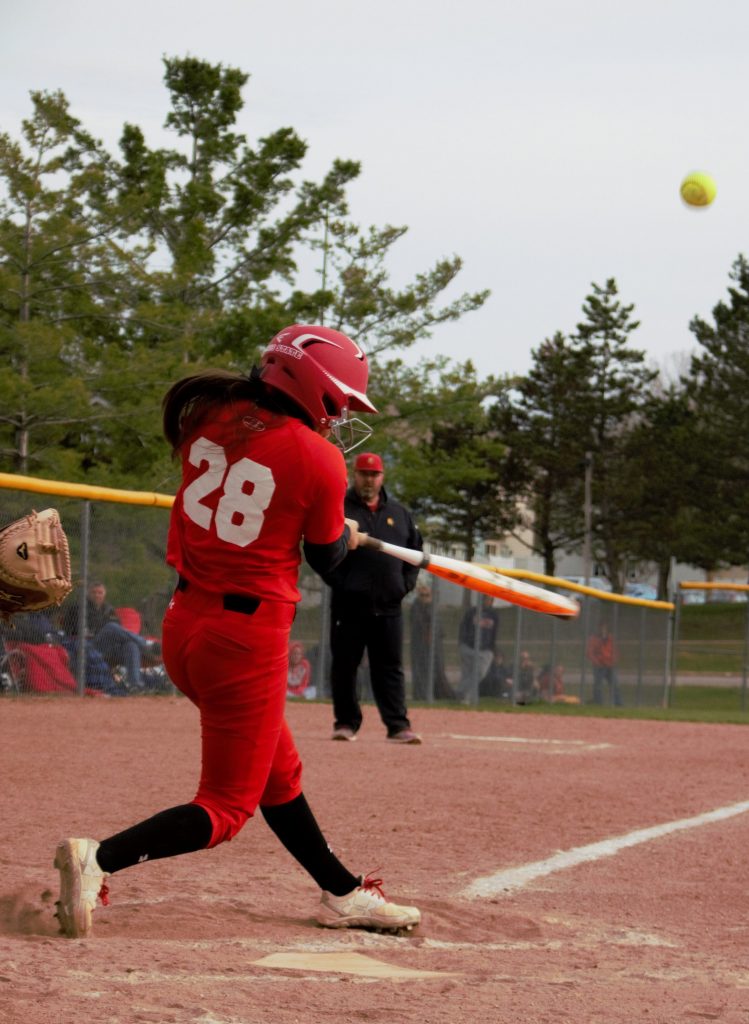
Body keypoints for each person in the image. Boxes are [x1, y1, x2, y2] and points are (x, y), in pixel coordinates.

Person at [54, 323, 421, 939]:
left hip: (185, 627)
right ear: (308, 387)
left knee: (278, 774)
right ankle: (98, 859)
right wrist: (346, 536)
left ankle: (342, 892)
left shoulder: (211, 413)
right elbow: (327, 561)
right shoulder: (317, 457)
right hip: (242, 642)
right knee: (225, 809)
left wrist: (333, 528)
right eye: (336, 401)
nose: (337, 417)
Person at [324, 451, 423, 744]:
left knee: (389, 668)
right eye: (364, 474)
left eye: (374, 474)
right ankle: (346, 723)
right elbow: (323, 550)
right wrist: (343, 584)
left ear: (382, 477)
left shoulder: (399, 514)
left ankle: (397, 725)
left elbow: (415, 554)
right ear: (354, 475)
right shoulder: (339, 509)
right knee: (345, 666)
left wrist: (404, 585)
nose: (369, 479)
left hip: (388, 606)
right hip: (349, 606)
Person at [61, 580, 152, 691]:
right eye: (94, 592)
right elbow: (67, 630)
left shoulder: (109, 610)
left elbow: (119, 633)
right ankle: (145, 644)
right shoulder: (78, 608)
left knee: (131, 645)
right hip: (88, 647)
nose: (97, 595)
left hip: (108, 648)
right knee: (111, 627)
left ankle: (135, 685)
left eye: (100, 592)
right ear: (88, 593)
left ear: (104, 594)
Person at [409, 580, 454, 700]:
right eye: (422, 595)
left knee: (437, 670)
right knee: (421, 670)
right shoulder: (416, 606)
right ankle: (422, 695)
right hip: (421, 646)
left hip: (434, 646)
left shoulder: (433, 606)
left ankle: (440, 694)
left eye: (427, 595)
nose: (425, 598)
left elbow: (438, 628)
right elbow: (419, 624)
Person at [458, 594, 499, 702]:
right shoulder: (471, 612)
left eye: (490, 599)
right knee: (467, 673)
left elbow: (494, 633)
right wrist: (462, 643)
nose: (488, 601)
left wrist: (492, 649)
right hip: (469, 647)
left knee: (480, 672)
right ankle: (467, 699)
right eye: (487, 599)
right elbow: (463, 628)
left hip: (485, 650)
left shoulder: (493, 615)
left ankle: (461, 691)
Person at [586, 621, 623, 705]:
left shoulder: (610, 638)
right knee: (598, 686)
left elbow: (616, 651)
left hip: (610, 665)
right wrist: (597, 661)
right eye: (601, 628)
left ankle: (618, 703)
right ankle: (599, 703)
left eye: (604, 628)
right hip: (599, 666)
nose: (602, 630)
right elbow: (590, 652)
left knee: (614, 685)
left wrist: (613, 661)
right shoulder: (594, 639)